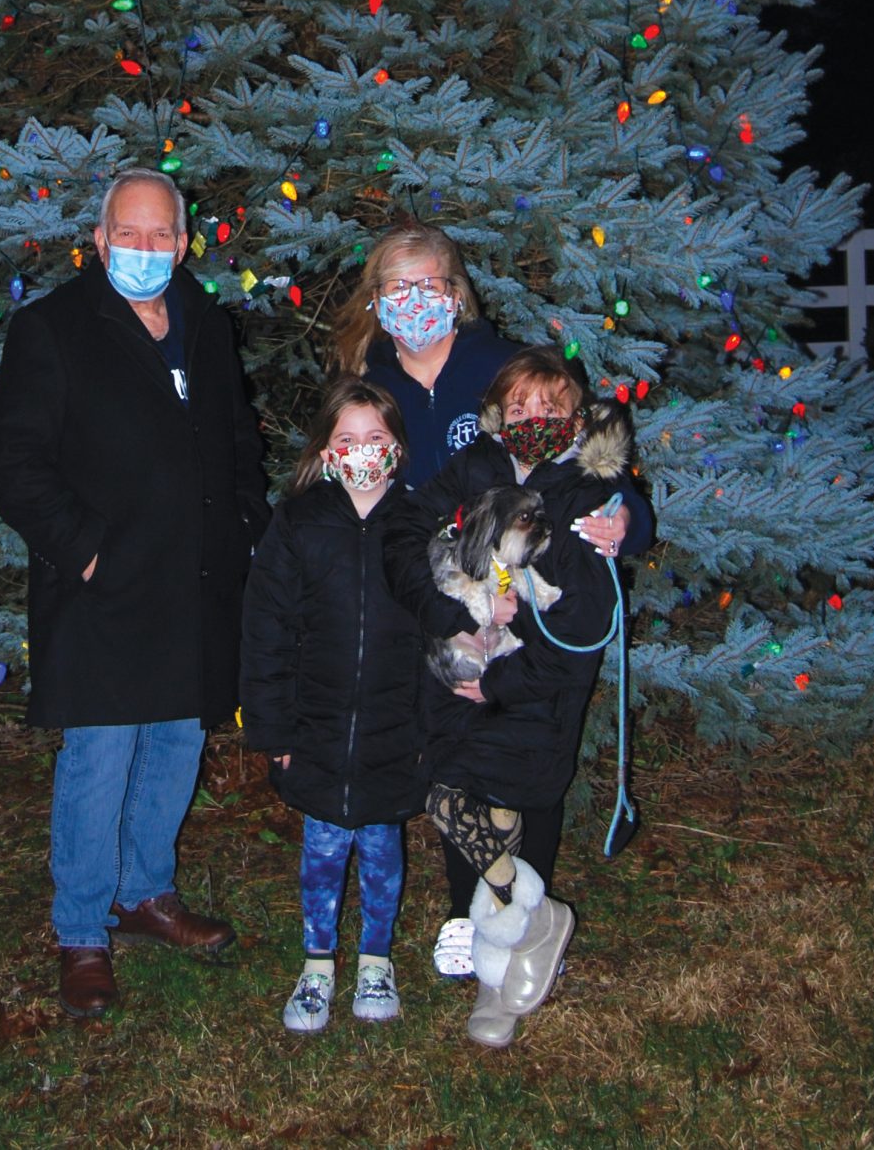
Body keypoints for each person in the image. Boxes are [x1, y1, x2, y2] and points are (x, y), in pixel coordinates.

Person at [331, 221, 653, 975]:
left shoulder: (504, 368)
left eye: (429, 285)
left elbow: (606, 483)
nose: (414, 301)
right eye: (397, 287)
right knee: (455, 747)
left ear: (455, 292)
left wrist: (623, 521)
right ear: (378, 298)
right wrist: (432, 600)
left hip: (535, 610)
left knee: (528, 759)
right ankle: (463, 907)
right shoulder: (373, 376)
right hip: (441, 594)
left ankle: (527, 908)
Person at [0, 167, 268, 1018]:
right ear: (100, 240)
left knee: (175, 739)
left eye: (161, 237)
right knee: (102, 754)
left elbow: (235, 435)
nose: (145, 251)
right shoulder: (53, 329)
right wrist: (89, 554)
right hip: (104, 584)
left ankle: (146, 893)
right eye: (128, 235)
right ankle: (80, 929)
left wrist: (245, 522)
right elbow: (17, 464)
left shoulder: (206, 323)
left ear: (184, 244)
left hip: (194, 576)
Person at [384, 343, 636, 1049]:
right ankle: (521, 922)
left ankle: (504, 974)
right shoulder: (475, 469)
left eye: (551, 407)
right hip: (462, 673)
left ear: (576, 418)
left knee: (520, 805)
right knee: (452, 793)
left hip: (534, 692)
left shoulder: (585, 496)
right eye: (520, 404)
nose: (533, 417)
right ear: (497, 411)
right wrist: (444, 613)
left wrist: (498, 680)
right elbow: (408, 524)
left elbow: (581, 620)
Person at [239, 377, 426, 1034]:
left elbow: (443, 628)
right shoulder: (297, 522)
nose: (362, 450)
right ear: (323, 450)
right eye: (347, 438)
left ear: (398, 448)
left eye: (376, 438)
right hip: (315, 726)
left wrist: (433, 727)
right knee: (321, 850)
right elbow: (266, 630)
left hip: (395, 727)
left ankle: (376, 959)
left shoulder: (419, 523)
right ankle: (317, 965)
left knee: (381, 848)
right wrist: (274, 725)